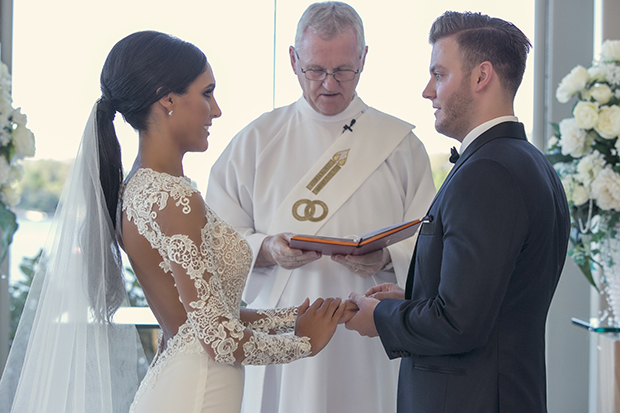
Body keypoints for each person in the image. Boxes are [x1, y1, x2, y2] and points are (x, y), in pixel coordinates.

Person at [0, 31, 346, 413]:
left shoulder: (137, 189)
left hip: (184, 383)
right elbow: (219, 339)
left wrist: (298, 317)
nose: (216, 110)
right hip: (197, 392)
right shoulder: (173, 199)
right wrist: (305, 344)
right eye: (207, 93)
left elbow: (206, 320)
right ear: (167, 98)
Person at [205, 2, 435, 412]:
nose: (329, 84)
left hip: (369, 335)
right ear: (294, 60)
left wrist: (386, 255)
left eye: (344, 70)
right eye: (315, 70)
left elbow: (430, 240)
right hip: (283, 335)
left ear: (364, 58)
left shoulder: (400, 146)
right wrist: (265, 248)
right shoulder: (256, 141)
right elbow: (215, 239)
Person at [345, 11, 570, 413]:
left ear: (481, 76)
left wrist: (382, 319)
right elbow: (491, 303)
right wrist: (412, 297)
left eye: (439, 74)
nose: (427, 91)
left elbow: (460, 323)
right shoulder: (528, 162)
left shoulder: (489, 173)